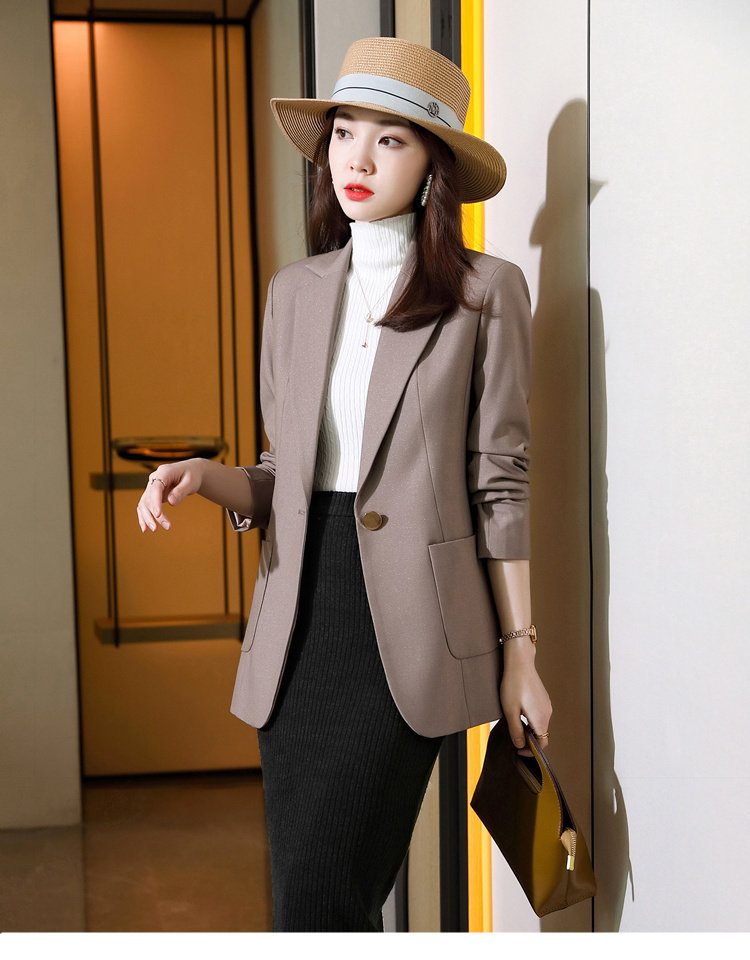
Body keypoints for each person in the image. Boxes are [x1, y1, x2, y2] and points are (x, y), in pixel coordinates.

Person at [137, 36, 552, 932]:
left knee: (330, 893)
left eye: (390, 140)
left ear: (435, 166)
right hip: (297, 618)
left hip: (408, 628)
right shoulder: (294, 291)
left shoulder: (487, 293)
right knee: (310, 899)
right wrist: (208, 479)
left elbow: (501, 479)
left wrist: (521, 652)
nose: (357, 160)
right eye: (344, 133)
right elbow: (283, 475)